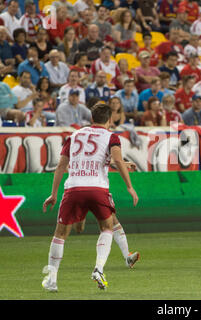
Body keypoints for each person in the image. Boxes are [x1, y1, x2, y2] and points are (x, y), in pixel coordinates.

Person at [41, 103, 139, 292]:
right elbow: (115, 159)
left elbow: (61, 166)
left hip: (73, 188)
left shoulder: (74, 135)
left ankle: (52, 280)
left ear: (92, 118)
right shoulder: (111, 137)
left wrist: (54, 194)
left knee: (60, 235)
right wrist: (129, 186)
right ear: (110, 120)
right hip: (97, 188)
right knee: (107, 227)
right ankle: (99, 268)